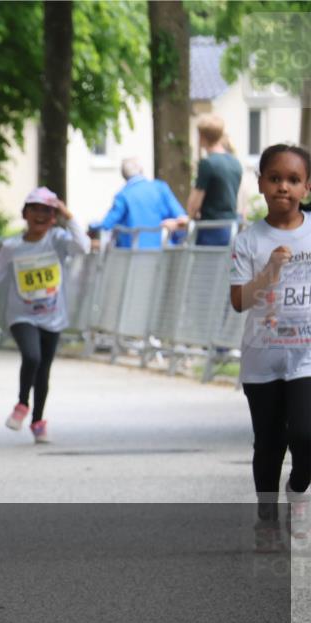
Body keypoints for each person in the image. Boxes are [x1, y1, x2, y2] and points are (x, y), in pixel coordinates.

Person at [229, 144, 311, 552]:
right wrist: (270, 270)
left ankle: (298, 491)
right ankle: (266, 515)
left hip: (306, 356)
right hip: (263, 358)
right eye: (275, 178)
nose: (283, 187)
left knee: (306, 432)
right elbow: (240, 301)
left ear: (307, 187)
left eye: (293, 180)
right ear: (260, 183)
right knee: (269, 443)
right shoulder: (249, 240)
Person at [0, 186, 90, 444]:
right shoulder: (12, 246)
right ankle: (22, 403)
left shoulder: (57, 240)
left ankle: (38, 421)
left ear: (54, 217)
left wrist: (68, 215)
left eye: (47, 211)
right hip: (21, 315)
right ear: (24, 213)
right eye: (34, 209)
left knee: (44, 369)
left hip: (53, 315)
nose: (40, 215)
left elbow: (84, 246)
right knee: (32, 356)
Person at [91, 158, 189, 248]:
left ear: (124, 176)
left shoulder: (123, 196)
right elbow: (181, 217)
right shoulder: (161, 188)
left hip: (133, 257)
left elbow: (107, 224)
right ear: (141, 170)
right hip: (162, 254)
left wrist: (92, 226)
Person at [188, 113, 243, 246]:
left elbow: (194, 204)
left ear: (201, 136)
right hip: (231, 228)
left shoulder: (208, 163)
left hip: (210, 230)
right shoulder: (235, 162)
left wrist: (189, 217)